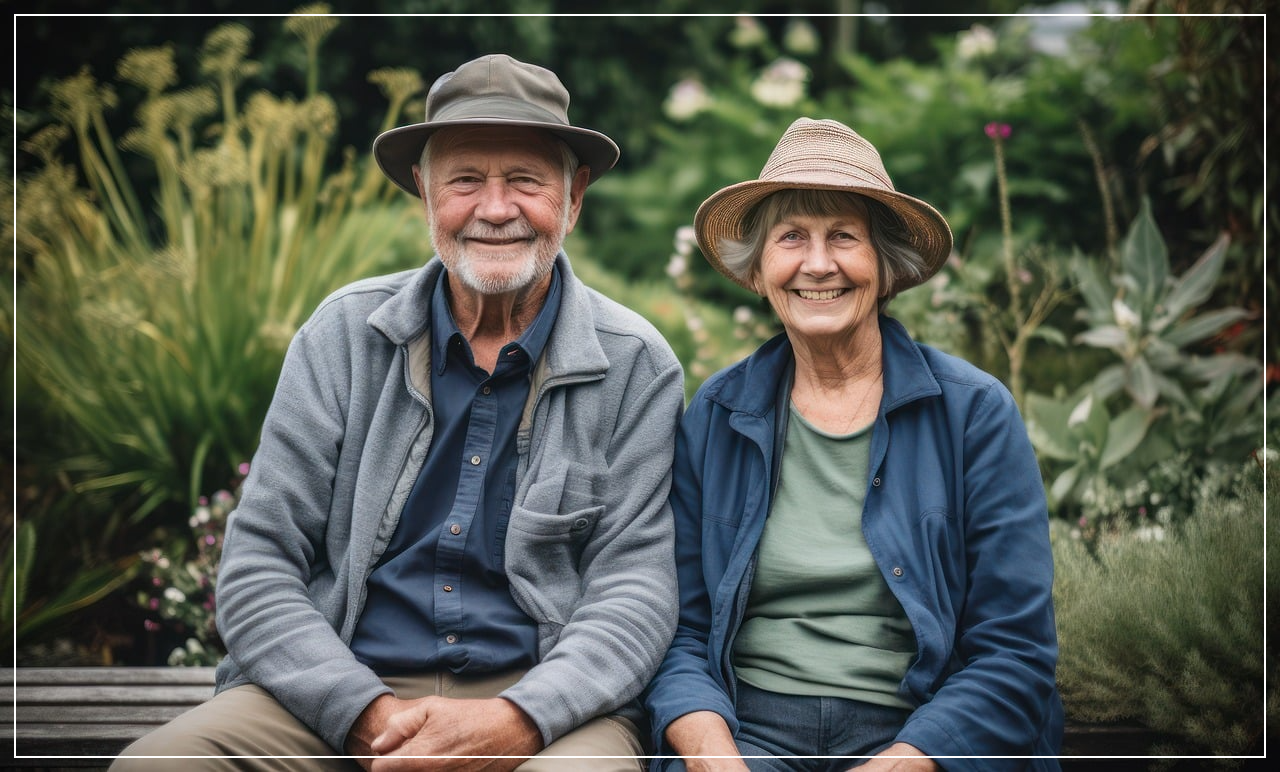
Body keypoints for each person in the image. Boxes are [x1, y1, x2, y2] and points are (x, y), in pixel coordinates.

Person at [113, 53, 684, 771]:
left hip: (546, 699)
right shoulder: (344, 335)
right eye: (466, 180)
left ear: (573, 200)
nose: (496, 208)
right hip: (341, 682)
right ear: (424, 192)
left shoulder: (635, 363)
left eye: (527, 182)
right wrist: (363, 715)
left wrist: (518, 721)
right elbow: (259, 563)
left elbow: (636, 592)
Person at [642, 118, 1064, 772]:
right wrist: (713, 755)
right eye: (791, 238)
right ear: (758, 271)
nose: (818, 263)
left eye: (843, 236)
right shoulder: (718, 415)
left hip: (918, 731)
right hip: (748, 729)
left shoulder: (974, 413)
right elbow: (681, 633)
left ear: (886, 267)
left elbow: (1014, 651)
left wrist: (907, 760)